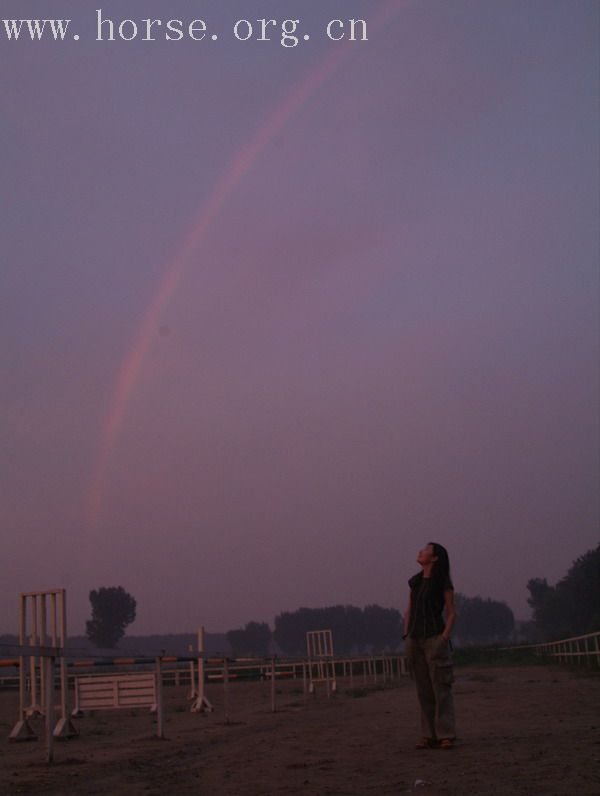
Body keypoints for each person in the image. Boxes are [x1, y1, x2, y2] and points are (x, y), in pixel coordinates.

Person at [403, 542, 457, 749]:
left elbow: (452, 613)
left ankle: (446, 734)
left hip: (434, 637)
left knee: (441, 688)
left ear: (434, 558)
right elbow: (408, 610)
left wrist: (443, 638)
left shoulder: (442, 582)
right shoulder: (415, 582)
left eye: (426, 549)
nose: (420, 551)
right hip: (414, 639)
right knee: (423, 689)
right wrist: (406, 635)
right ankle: (428, 734)